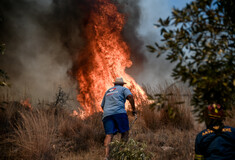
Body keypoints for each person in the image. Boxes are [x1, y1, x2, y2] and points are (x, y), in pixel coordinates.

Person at [101, 77, 136, 160]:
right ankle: (122, 153)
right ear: (122, 84)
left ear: (114, 84)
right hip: (119, 113)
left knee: (109, 135)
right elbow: (130, 97)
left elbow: (102, 105)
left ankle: (107, 156)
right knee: (124, 132)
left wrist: (109, 112)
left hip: (106, 114)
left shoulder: (108, 91)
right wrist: (134, 109)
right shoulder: (123, 89)